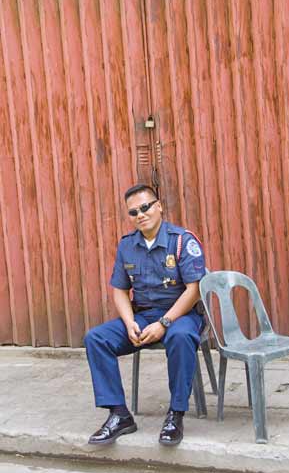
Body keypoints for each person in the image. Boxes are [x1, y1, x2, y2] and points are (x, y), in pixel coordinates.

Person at [84, 183, 206, 447]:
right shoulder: (127, 246)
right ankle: (119, 414)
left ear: (159, 206)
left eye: (145, 207)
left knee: (182, 336)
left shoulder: (182, 240)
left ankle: (175, 414)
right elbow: (119, 290)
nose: (140, 214)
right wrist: (129, 324)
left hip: (181, 315)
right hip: (143, 316)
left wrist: (164, 323)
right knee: (96, 338)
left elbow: (194, 291)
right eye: (133, 212)